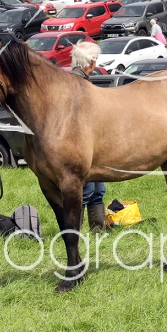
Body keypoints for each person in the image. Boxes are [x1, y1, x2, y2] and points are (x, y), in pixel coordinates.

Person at [70, 41, 107, 232]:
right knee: (87, 190)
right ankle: (76, 231)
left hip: (93, 145)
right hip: (82, 146)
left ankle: (98, 229)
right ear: (91, 62)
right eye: (96, 60)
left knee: (98, 190)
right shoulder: (78, 84)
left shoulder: (79, 80)